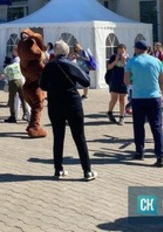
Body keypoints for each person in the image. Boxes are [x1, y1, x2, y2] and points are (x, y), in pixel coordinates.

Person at [39, 40, 96, 181]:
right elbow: (86, 81)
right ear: (66, 52)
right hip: (72, 103)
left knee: (58, 137)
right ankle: (87, 171)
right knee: (79, 137)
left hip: (55, 103)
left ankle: (58, 169)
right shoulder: (70, 64)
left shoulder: (48, 66)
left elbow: (43, 85)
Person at [124, 40, 163, 167]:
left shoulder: (131, 61)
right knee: (157, 126)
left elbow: (126, 80)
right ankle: (160, 155)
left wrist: (136, 80)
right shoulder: (157, 61)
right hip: (154, 97)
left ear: (137, 49)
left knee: (138, 125)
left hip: (138, 97)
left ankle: (139, 151)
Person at [106, 44, 128, 125]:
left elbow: (128, 69)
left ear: (125, 51)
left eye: (122, 51)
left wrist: (124, 61)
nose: (120, 53)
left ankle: (121, 117)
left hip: (124, 81)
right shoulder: (113, 57)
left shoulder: (128, 58)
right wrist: (116, 60)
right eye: (119, 51)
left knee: (122, 100)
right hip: (114, 80)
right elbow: (109, 67)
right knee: (114, 99)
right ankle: (110, 112)